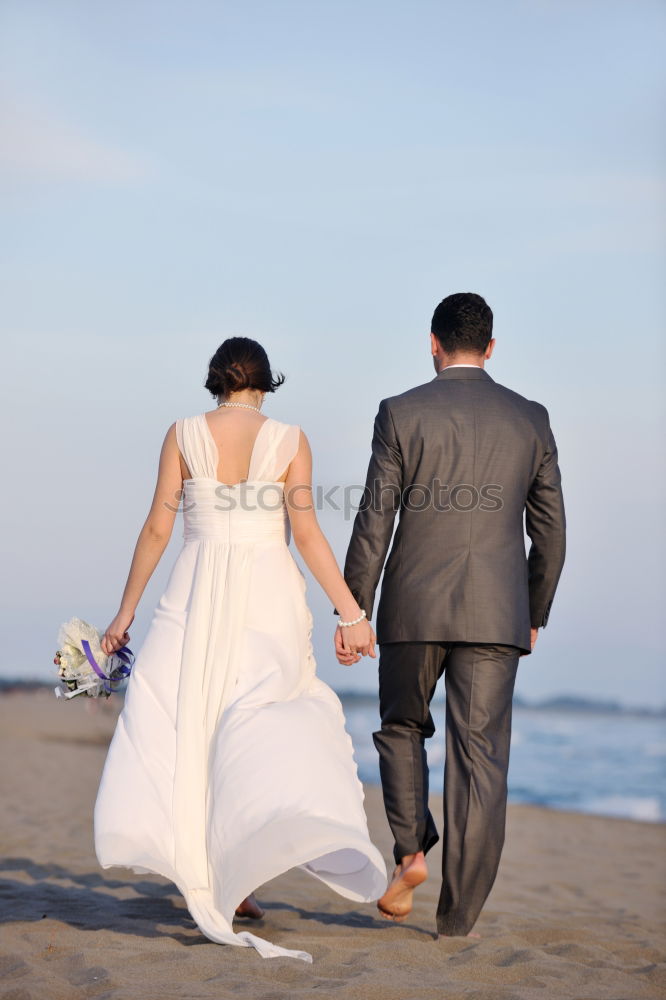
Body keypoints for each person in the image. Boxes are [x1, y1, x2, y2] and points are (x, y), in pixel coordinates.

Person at [94, 337, 387, 962]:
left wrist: (125, 613)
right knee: (254, 725)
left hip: (194, 588)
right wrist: (352, 612)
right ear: (266, 384)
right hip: (265, 595)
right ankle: (238, 876)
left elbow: (157, 527)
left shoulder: (182, 433)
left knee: (190, 723)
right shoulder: (290, 439)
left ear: (216, 381)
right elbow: (305, 532)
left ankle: (216, 869)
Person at [337, 292, 566, 937]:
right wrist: (533, 608)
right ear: (490, 348)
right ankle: (457, 921)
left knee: (402, 728)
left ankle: (411, 851)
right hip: (498, 614)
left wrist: (355, 609)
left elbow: (373, 520)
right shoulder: (531, 419)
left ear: (432, 342)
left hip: (412, 608)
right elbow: (550, 532)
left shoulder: (400, 412)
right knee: (481, 759)